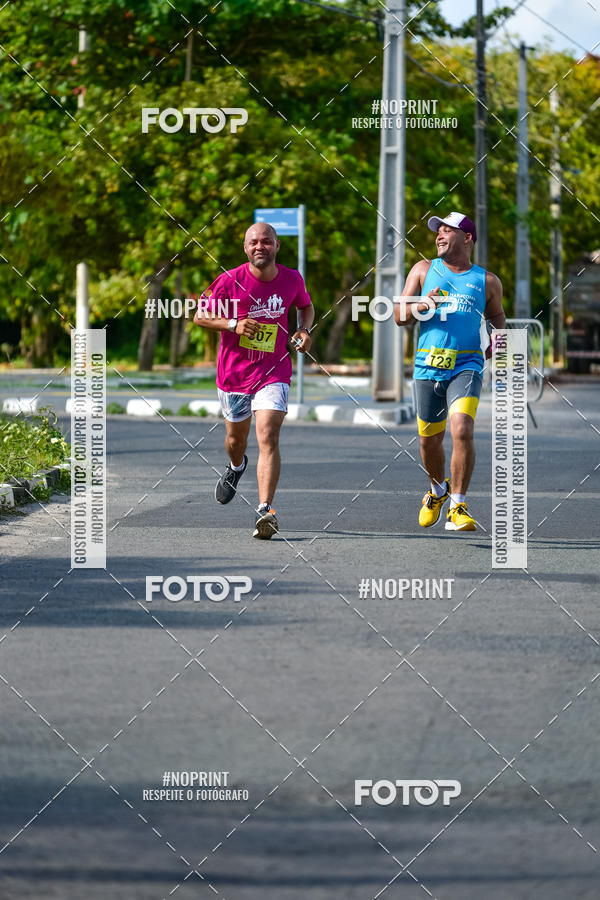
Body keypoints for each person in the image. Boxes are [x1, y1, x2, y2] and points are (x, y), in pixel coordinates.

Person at [194, 222, 314, 539]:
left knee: (268, 434)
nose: (260, 246)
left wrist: (304, 331)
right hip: (233, 374)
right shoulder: (229, 280)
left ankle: (265, 510)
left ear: (276, 246)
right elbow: (200, 315)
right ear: (245, 248)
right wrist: (233, 323)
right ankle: (236, 467)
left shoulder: (291, 279)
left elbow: (306, 307)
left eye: (266, 241)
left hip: (274, 371)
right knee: (236, 441)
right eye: (254, 242)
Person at [394, 211, 505, 531]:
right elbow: (400, 316)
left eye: (447, 230)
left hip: (467, 365)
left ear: (467, 238)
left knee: (462, 430)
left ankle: (458, 505)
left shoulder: (487, 281)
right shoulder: (423, 269)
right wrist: (421, 306)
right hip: (427, 367)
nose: (439, 235)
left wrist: (497, 348)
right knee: (429, 441)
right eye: (437, 231)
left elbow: (498, 318)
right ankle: (436, 491)